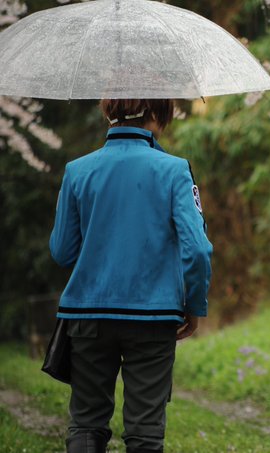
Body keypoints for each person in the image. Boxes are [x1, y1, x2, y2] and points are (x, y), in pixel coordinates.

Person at [50, 98, 213, 453]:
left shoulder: (77, 170)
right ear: (157, 115)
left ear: (109, 112)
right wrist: (194, 305)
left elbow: (61, 251)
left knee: (86, 422)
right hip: (153, 316)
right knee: (145, 430)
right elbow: (198, 249)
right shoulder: (175, 170)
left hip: (87, 313)